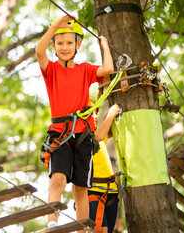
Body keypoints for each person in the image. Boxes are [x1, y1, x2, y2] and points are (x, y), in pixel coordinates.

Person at [35, 14, 114, 231]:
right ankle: (52, 223)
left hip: (82, 136)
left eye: (69, 43)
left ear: (78, 44)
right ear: (54, 45)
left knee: (81, 189)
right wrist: (54, 27)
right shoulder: (51, 70)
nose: (64, 47)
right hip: (60, 133)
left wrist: (105, 45)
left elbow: (107, 70)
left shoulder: (85, 70)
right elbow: (39, 51)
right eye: (60, 43)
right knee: (57, 179)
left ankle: (83, 229)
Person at [89, 101, 121, 233]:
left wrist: (109, 116)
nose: (95, 116)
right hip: (94, 192)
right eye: (91, 114)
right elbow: (99, 136)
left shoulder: (97, 133)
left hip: (111, 191)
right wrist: (111, 114)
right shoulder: (81, 137)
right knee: (99, 230)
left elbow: (105, 132)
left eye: (96, 113)